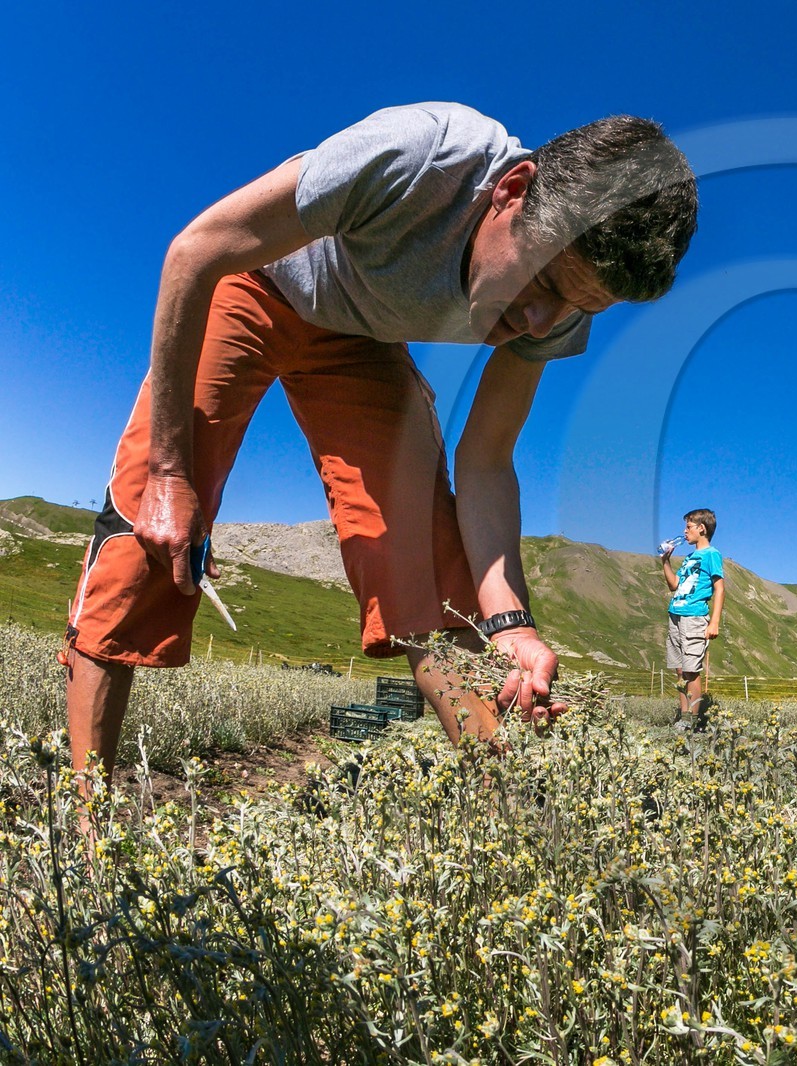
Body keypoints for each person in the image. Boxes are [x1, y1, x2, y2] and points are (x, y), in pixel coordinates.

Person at [63, 102, 698, 782]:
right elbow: (195, 252)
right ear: (511, 193)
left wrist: (511, 625)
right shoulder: (418, 156)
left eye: (581, 306)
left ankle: (510, 820)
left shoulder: (555, 317)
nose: (542, 320)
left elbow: (485, 461)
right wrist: (168, 472)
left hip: (360, 337)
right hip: (256, 279)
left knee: (426, 567)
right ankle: (86, 841)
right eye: (542, 282)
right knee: (148, 534)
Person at [660, 509, 725, 728]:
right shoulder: (689, 558)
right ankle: (683, 715)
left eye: (688, 526)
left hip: (694, 617)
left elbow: (719, 588)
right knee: (679, 670)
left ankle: (691, 720)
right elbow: (674, 585)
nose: (684, 531)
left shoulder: (711, 555)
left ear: (702, 529)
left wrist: (714, 622)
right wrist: (665, 562)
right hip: (675, 615)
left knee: (691, 670)